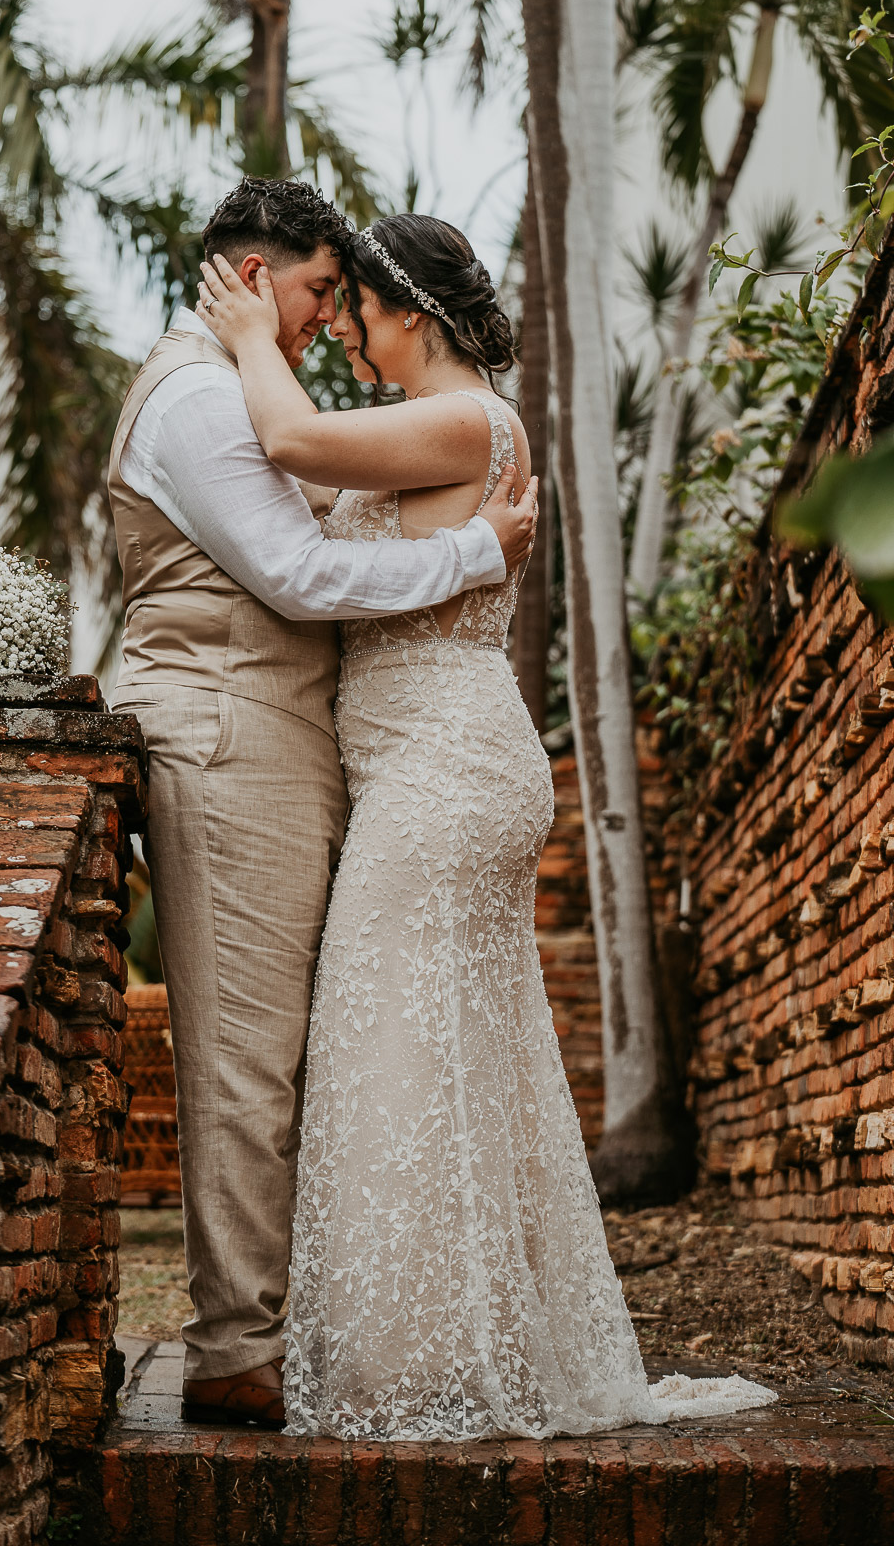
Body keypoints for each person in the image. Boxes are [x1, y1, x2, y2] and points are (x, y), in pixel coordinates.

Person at [196, 213, 774, 1440]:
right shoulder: (426, 431)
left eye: (356, 309)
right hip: (424, 766)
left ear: (411, 314)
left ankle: (421, 1359)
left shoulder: (468, 422)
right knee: (429, 1051)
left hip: (449, 770)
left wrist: (252, 333)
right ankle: (438, 1342)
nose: (344, 327)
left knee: (397, 1042)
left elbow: (289, 437)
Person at [107, 178, 538, 1429]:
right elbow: (296, 571)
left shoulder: (409, 413)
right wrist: (471, 554)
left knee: (348, 1052)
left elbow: (307, 479)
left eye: (347, 303)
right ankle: (242, 1345)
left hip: (393, 756)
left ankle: (329, 1330)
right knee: (253, 1054)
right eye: (310, 294)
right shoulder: (200, 394)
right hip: (238, 733)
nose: (322, 324)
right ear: (250, 277)